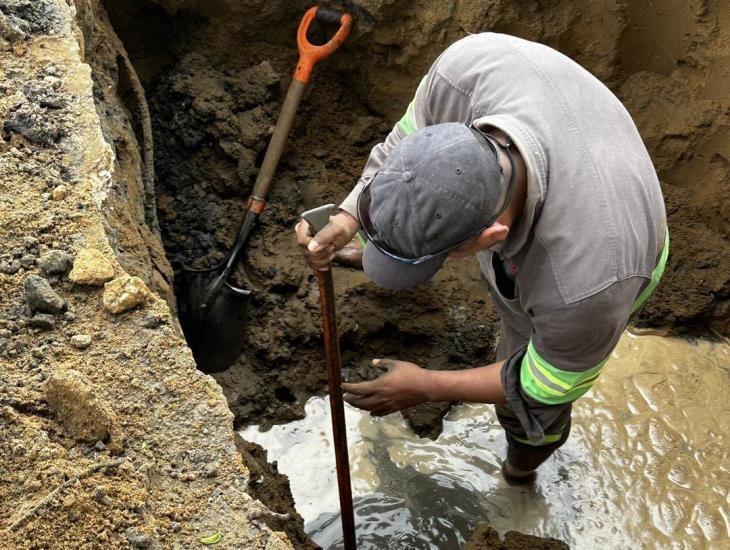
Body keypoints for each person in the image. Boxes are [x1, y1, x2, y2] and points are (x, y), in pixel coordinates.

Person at [295, 32, 668, 483]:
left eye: (436, 256)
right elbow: (406, 144)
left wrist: (426, 386)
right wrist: (351, 213)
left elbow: (545, 384)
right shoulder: (463, 73)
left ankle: (520, 474)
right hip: (567, 163)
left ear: (491, 237)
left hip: (609, 251)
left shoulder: (585, 286)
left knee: (530, 404)